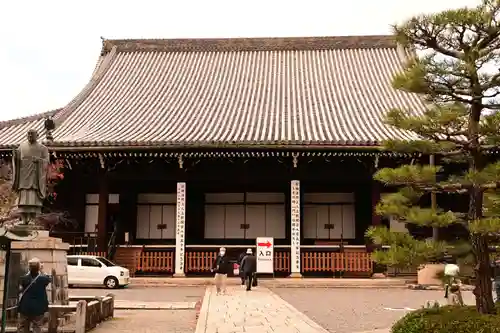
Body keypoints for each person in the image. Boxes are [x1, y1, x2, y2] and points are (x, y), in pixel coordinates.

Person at [17, 258, 52, 333]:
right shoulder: (43, 279)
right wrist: (41, 270)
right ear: (39, 267)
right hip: (38, 308)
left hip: (25, 307)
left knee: (22, 327)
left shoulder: (24, 279)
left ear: (29, 268)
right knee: (37, 327)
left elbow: (23, 282)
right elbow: (49, 278)